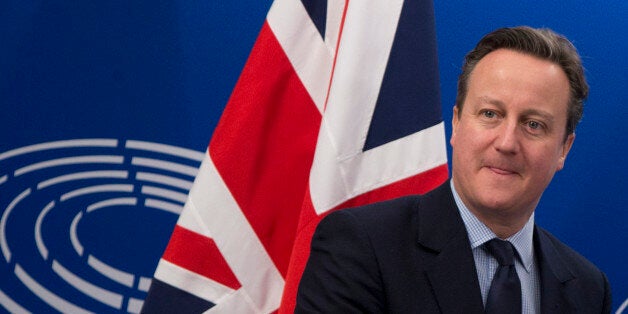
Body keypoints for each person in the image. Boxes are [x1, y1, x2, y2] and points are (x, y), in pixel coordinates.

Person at [295, 26, 612, 313]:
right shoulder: (362, 247)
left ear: (564, 149)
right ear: (457, 124)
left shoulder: (588, 289)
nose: (506, 142)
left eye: (533, 124)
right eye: (490, 113)